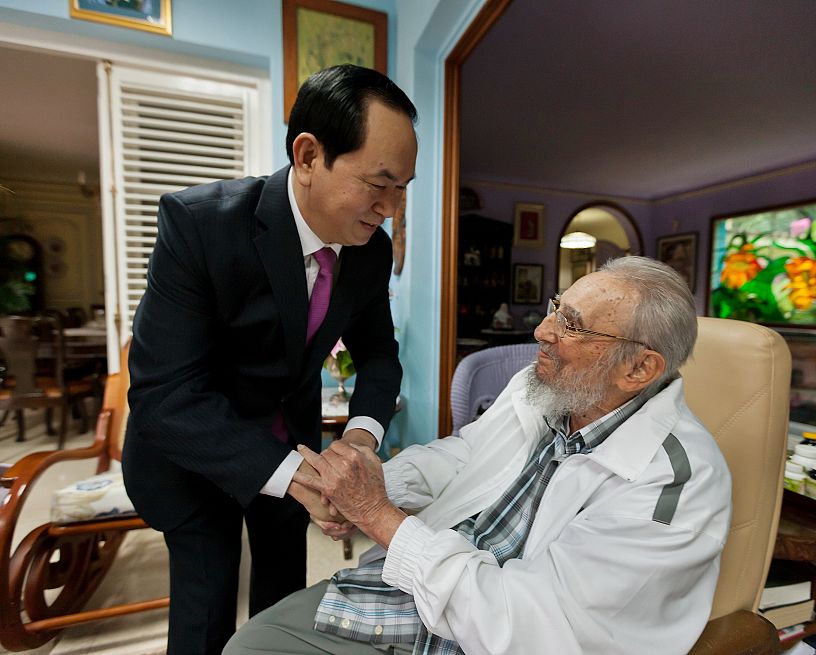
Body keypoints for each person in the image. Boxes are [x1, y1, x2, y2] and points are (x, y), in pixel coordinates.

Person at [225, 256, 732, 655]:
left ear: (640, 369)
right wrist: (374, 485)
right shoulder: (548, 392)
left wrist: (379, 517)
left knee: (253, 646)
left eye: (572, 326)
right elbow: (466, 454)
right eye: (557, 307)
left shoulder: (675, 484)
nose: (542, 331)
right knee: (255, 638)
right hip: (442, 580)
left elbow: (528, 626)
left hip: (486, 629)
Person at [123, 64, 417, 655]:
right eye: (378, 183)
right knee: (205, 618)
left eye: (403, 187)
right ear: (308, 156)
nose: (390, 207)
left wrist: (360, 439)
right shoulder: (201, 225)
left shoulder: (368, 251)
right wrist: (294, 474)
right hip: (195, 455)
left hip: (292, 443)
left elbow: (379, 354)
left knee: (280, 614)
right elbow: (165, 394)